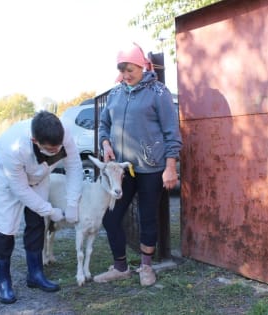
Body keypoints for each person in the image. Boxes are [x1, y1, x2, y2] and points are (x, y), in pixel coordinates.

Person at [93, 42, 182, 287]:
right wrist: (105, 143)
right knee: (111, 217)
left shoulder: (158, 92)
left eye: (130, 69)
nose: (126, 75)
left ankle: (146, 266)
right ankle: (120, 267)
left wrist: (170, 166)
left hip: (152, 168)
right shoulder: (115, 93)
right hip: (123, 169)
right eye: (122, 70)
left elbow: (171, 131)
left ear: (141, 65)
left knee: (147, 217)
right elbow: (104, 125)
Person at [0, 110, 83, 304]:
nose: (57, 152)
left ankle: (35, 274)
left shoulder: (65, 132)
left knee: (37, 223)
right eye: (51, 150)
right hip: (5, 180)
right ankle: (4, 282)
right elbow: (21, 190)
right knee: (5, 230)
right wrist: (51, 211)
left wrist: (72, 203)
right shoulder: (12, 147)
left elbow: (74, 166)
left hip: (38, 176)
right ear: (34, 140)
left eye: (59, 148)